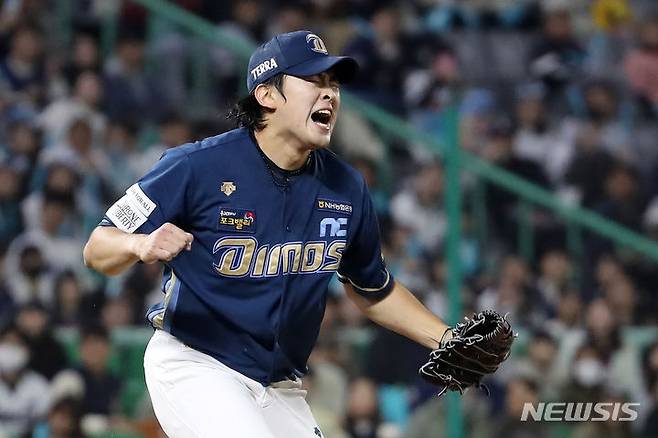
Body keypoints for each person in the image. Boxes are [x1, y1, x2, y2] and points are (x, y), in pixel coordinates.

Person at [83, 30, 452, 438]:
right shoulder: (196, 166)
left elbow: (371, 287)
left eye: (333, 83)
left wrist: (445, 337)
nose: (330, 93)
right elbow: (97, 247)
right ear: (267, 95)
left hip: (280, 385)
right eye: (314, 81)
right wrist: (140, 243)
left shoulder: (346, 186)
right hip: (196, 364)